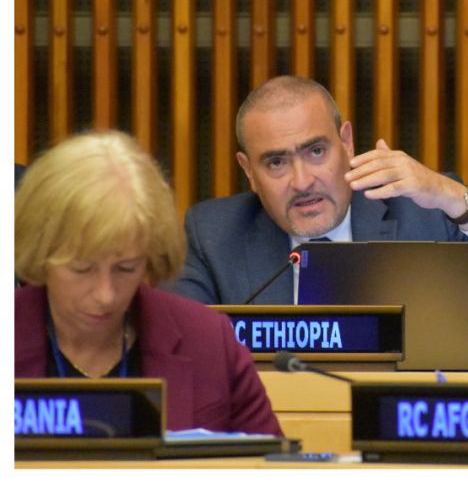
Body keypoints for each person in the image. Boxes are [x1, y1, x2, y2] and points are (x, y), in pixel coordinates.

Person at [167, 76, 468, 305]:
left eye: (316, 151)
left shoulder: (426, 215)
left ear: (348, 143)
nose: (302, 181)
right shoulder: (214, 235)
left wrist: (455, 198)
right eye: (276, 163)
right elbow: (179, 351)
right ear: (248, 171)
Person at [15, 131, 281, 434]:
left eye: (126, 268)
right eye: (82, 269)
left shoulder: (208, 341)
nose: (106, 295)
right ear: (40, 252)